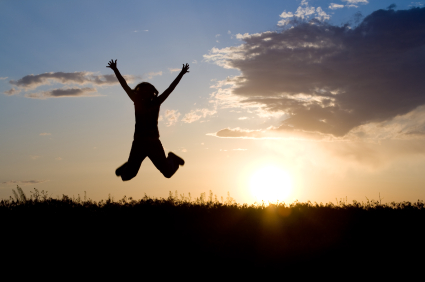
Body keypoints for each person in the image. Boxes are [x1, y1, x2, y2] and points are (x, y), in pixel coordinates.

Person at [107, 59, 188, 181]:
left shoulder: (156, 102)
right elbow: (124, 85)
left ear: (152, 93)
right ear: (141, 93)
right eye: (145, 91)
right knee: (127, 176)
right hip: (139, 143)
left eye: (149, 91)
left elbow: (170, 88)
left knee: (167, 173)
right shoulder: (137, 101)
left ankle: (172, 158)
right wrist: (115, 70)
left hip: (153, 143)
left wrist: (181, 73)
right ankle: (127, 167)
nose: (147, 93)